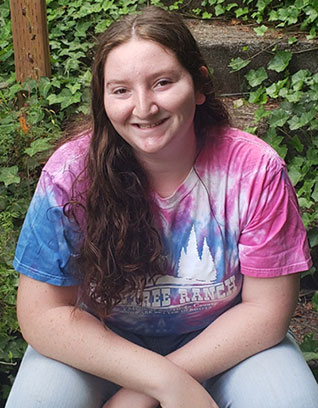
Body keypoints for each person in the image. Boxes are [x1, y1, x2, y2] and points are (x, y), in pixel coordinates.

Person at [5, 6, 318, 408]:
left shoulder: (254, 170)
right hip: (99, 344)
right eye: (120, 90)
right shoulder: (70, 173)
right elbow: (43, 314)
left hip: (226, 341)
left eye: (162, 82)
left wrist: (142, 394)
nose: (143, 107)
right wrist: (163, 382)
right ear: (103, 100)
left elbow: (267, 310)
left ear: (199, 84)